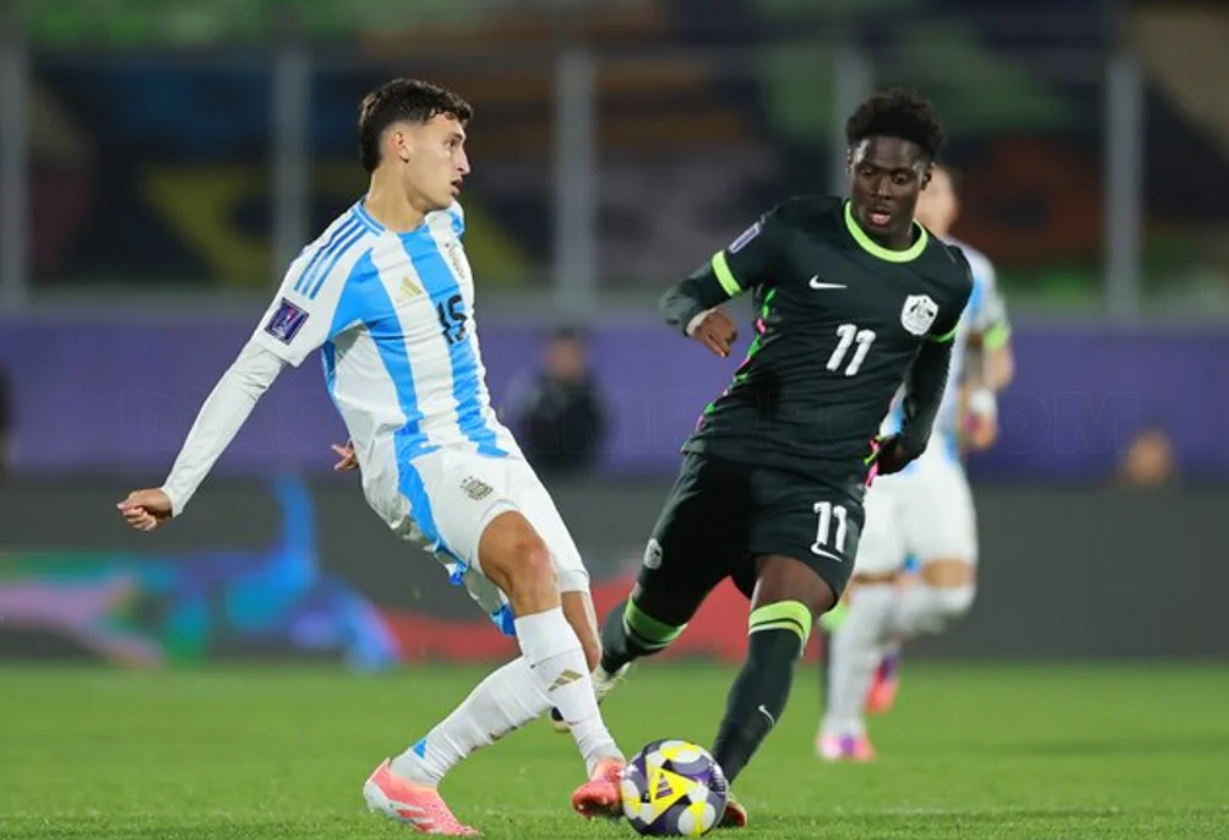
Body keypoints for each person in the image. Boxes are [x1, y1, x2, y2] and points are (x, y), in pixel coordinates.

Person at [116, 78, 624, 836]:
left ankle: (412, 776)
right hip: (418, 462)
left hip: (487, 442)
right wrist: (177, 487)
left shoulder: (449, 221)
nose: (465, 163)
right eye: (451, 144)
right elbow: (252, 371)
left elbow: (427, 341)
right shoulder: (336, 262)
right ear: (401, 144)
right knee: (527, 559)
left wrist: (368, 409)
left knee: (579, 653)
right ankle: (606, 764)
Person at [589, 89, 973, 826]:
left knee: (782, 628)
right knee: (651, 622)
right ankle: (607, 665)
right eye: (868, 172)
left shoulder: (946, 277)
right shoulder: (796, 228)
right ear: (850, 165)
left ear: (923, 180)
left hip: (827, 478)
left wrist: (918, 431)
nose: (880, 191)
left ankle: (714, 783)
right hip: (735, 452)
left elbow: (934, 355)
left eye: (899, 178)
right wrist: (695, 317)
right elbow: (684, 293)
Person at [816, 164, 1015, 761]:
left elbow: (989, 350)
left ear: (954, 204)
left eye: (938, 189)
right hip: (864, 450)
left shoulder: (974, 272)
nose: (926, 200)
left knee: (950, 595)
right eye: (915, 189)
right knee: (872, 587)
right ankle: (842, 729)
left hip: (934, 454)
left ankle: (881, 639)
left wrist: (981, 399)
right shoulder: (858, 262)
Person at [507, 325, 608, 479]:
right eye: (559, 355)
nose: (565, 362)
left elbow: (591, 442)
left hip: (580, 479)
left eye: (571, 355)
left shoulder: (593, 397)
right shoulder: (531, 393)